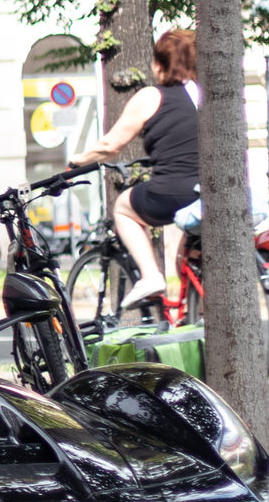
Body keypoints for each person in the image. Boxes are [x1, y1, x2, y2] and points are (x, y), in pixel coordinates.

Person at [76, 28, 201, 313]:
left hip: (174, 190)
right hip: (209, 191)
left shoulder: (152, 96)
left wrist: (77, 160)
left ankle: (150, 276)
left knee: (122, 207)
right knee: (189, 253)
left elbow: (111, 145)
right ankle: (193, 313)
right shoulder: (203, 95)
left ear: (159, 64)